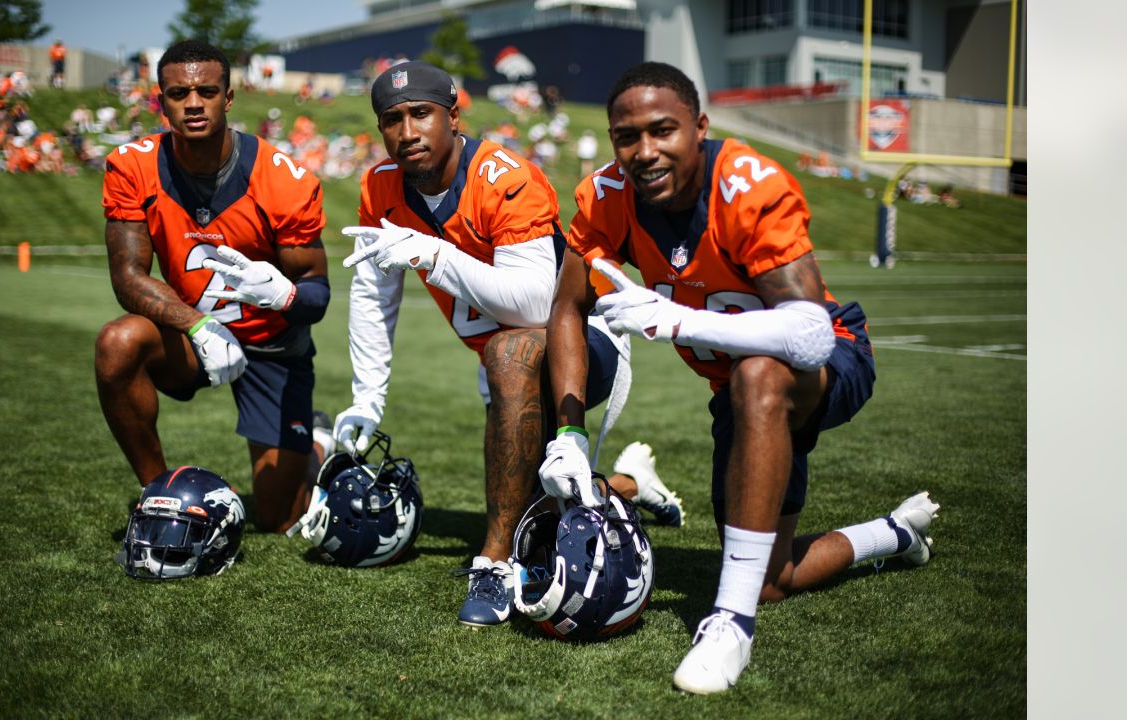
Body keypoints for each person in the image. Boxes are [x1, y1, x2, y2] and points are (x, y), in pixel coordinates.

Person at [543, 62, 940, 693]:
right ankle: (892, 535)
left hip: (828, 363)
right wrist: (567, 430)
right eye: (627, 137)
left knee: (758, 373)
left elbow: (808, 335)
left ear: (699, 127)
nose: (645, 151)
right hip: (739, 389)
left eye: (663, 130)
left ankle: (729, 624)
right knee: (772, 577)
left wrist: (678, 321)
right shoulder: (606, 195)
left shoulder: (747, 183)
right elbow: (567, 305)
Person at [335, 61, 684, 628]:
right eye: (391, 120)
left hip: (580, 345)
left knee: (510, 358)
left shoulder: (504, 177)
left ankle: (493, 564)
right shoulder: (380, 186)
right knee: (537, 509)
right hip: (504, 361)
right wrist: (367, 398)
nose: (407, 132)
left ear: (452, 116)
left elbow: (533, 305)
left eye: (420, 114)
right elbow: (373, 297)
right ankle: (626, 485)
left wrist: (431, 253)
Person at [95, 39, 334, 534]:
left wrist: (282, 295)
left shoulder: (283, 180)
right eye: (179, 93)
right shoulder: (132, 166)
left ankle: (316, 444)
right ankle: (160, 499)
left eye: (207, 91)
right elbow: (128, 276)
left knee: (277, 518)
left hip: (272, 345)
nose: (194, 103)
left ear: (228, 98)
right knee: (118, 343)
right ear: (161, 101)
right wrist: (198, 324)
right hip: (193, 336)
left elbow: (318, 294)